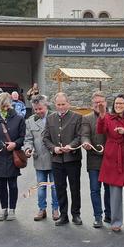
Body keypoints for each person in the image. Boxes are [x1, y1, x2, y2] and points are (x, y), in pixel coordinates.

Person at [97, 94, 124, 232]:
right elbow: (100, 130)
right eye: (116, 103)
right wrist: (102, 115)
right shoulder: (108, 117)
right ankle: (116, 222)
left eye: (121, 103)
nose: (118, 105)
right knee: (114, 194)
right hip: (112, 158)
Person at [42, 92, 83, 226]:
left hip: (73, 159)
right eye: (58, 104)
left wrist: (70, 146)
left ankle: (76, 214)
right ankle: (63, 215)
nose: (61, 107)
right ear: (55, 105)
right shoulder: (50, 118)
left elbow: (79, 136)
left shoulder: (77, 117)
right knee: (60, 188)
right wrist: (53, 148)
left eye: (63, 104)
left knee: (75, 188)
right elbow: (46, 138)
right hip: (57, 160)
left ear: (68, 104)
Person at [0, 91, 26, 221]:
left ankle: (12, 210)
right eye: (3, 106)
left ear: (11, 104)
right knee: (1, 185)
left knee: (12, 184)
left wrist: (15, 144)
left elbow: (22, 137)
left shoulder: (19, 118)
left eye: (7, 106)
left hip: (13, 156)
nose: (5, 109)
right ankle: (3, 209)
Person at [24, 95, 59, 221]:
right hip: (39, 159)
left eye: (40, 108)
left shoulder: (55, 118)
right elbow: (28, 139)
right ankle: (41, 209)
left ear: (46, 106)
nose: (38, 111)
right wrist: (27, 149)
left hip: (55, 159)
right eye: (35, 109)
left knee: (55, 186)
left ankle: (56, 209)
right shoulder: (30, 121)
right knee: (41, 187)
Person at [81, 91, 111, 227]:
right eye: (96, 102)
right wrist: (86, 142)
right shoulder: (87, 118)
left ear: (106, 103)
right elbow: (85, 134)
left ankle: (109, 215)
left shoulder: (113, 117)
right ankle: (98, 217)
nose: (99, 104)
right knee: (95, 189)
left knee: (109, 189)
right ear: (92, 104)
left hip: (110, 159)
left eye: (101, 102)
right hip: (93, 159)